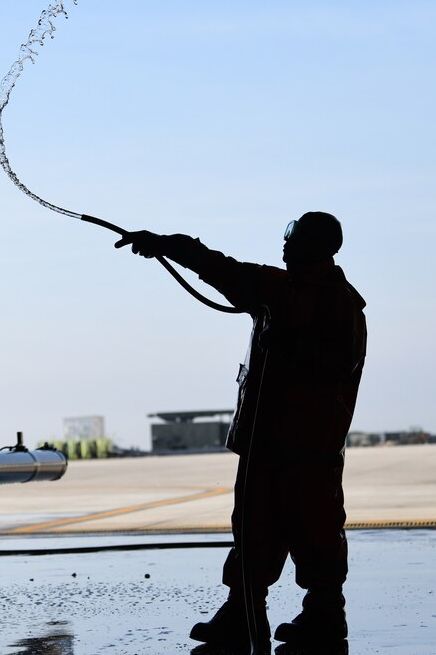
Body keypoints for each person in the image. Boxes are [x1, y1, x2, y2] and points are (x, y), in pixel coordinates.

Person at [116, 212, 367, 655]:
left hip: (305, 448)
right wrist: (162, 244)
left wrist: (287, 344)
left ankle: (322, 616)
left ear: (318, 245)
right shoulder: (277, 288)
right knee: (254, 533)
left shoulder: (337, 303)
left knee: (316, 534)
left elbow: (334, 367)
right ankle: (243, 612)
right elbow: (215, 264)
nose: (284, 244)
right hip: (268, 444)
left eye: (293, 237)